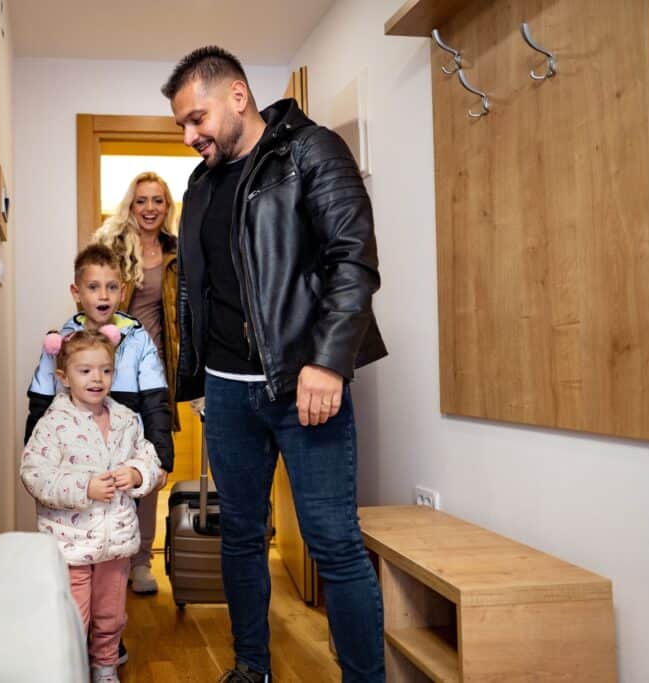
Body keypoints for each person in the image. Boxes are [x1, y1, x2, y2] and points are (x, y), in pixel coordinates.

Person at [162, 46, 388, 682]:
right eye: (181, 124)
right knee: (238, 535)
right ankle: (251, 667)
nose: (189, 136)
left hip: (304, 385)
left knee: (332, 543)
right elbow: (199, 291)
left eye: (196, 118)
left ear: (238, 96)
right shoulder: (200, 186)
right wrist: (204, 375)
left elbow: (353, 260)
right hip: (229, 394)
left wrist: (328, 362)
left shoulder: (311, 151)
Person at [24, 243, 175, 668]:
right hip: (74, 454)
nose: (103, 295)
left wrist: (158, 458)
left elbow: (157, 399)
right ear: (78, 292)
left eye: (111, 286)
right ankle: (77, 654)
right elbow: (40, 406)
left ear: (122, 290)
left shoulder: (136, 339)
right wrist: (38, 464)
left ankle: (105, 651)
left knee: (115, 562)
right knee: (76, 591)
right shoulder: (59, 343)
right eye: (94, 286)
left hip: (122, 436)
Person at [92, 171, 179, 595]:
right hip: (111, 370)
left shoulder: (177, 254)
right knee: (108, 461)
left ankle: (142, 561)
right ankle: (110, 559)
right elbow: (93, 299)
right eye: (142, 200)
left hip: (155, 372)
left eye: (157, 201)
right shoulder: (111, 247)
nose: (149, 209)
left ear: (167, 207)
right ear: (131, 204)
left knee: (151, 464)